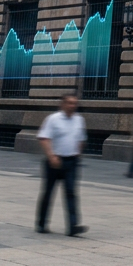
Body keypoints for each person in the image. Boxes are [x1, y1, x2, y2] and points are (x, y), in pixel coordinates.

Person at [36, 94, 88, 236]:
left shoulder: (79, 120)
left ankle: (73, 226)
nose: (73, 106)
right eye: (70, 103)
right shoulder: (53, 119)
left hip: (71, 161)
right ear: (63, 104)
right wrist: (51, 156)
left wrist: (78, 153)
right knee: (48, 193)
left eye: (75, 103)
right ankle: (41, 223)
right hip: (54, 161)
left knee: (71, 193)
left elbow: (81, 139)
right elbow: (44, 138)